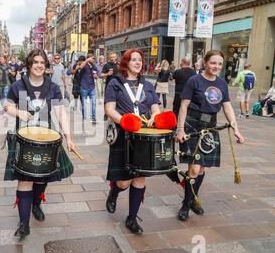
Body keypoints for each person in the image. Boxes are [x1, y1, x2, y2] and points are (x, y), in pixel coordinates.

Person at [4, 49, 75, 239]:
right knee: (24, 179)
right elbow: (7, 106)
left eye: (42, 62)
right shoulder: (18, 85)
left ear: (46, 66)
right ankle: (24, 224)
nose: (39, 65)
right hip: (23, 139)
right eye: (35, 62)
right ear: (28, 65)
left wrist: (68, 136)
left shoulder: (53, 87)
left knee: (42, 178)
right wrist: (18, 113)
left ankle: (36, 203)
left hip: (47, 138)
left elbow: (61, 113)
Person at [176, 50, 245, 221]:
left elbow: (227, 107)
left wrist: (236, 129)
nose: (216, 66)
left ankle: (192, 199)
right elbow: (183, 106)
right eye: (213, 63)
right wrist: (180, 129)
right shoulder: (194, 80)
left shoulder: (222, 84)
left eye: (220, 64)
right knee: (194, 168)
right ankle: (186, 204)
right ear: (205, 62)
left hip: (210, 127)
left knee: (202, 169)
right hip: (193, 124)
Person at [104, 48, 161, 234]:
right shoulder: (115, 83)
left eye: (140, 60)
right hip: (123, 135)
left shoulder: (148, 84)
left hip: (144, 136)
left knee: (139, 177)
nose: (138, 62)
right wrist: (126, 121)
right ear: (126, 62)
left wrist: (155, 117)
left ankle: (132, 218)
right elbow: (109, 109)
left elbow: (155, 108)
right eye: (133, 59)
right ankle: (114, 191)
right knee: (123, 182)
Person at [78, 53, 98, 123]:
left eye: (94, 58)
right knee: (84, 103)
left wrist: (95, 76)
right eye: (93, 58)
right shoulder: (85, 65)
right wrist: (86, 60)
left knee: (93, 103)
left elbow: (95, 74)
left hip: (92, 87)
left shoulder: (94, 66)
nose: (94, 60)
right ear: (89, 58)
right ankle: (84, 117)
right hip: (84, 87)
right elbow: (80, 67)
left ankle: (93, 118)